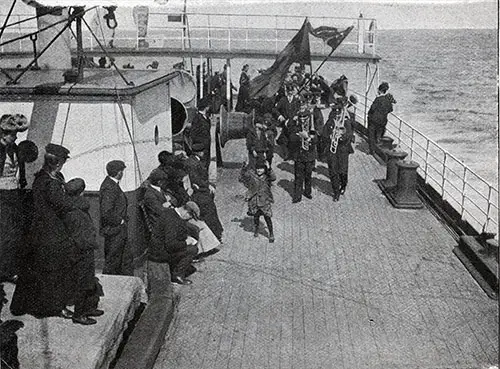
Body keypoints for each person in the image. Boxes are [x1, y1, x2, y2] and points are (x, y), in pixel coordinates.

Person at [10, 144, 76, 319]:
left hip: (39, 232)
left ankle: (25, 305)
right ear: (56, 164)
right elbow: (63, 204)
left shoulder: (41, 178)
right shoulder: (50, 183)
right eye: (61, 163)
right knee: (54, 271)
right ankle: (55, 307)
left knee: (36, 269)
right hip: (52, 233)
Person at [63, 178, 103, 326]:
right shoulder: (76, 211)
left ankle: (89, 308)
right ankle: (79, 314)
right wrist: (90, 245)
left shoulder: (71, 208)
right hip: (81, 251)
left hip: (81, 249)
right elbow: (80, 235)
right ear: (82, 192)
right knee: (83, 283)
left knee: (88, 280)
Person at [0, 114, 30, 284]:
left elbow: (21, 168)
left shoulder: (15, 148)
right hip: (1, 195)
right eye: (13, 134)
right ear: (4, 134)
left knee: (14, 233)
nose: (16, 137)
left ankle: (9, 270)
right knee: (4, 234)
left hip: (13, 193)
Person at [149, 202, 199, 285]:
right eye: (190, 217)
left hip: (159, 247)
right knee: (193, 250)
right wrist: (186, 242)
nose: (189, 220)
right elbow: (171, 244)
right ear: (187, 213)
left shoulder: (171, 212)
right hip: (160, 252)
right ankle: (177, 275)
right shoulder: (172, 221)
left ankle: (175, 267)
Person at [99, 160, 133, 276]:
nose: (122, 173)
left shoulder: (111, 185)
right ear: (119, 172)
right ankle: (109, 286)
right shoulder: (110, 187)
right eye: (122, 171)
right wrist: (120, 221)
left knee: (123, 259)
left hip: (117, 229)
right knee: (112, 260)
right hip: (114, 230)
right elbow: (106, 212)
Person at [184, 143, 224, 242]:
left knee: (209, 213)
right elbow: (196, 179)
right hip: (200, 192)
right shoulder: (194, 163)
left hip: (200, 191)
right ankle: (215, 235)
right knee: (209, 213)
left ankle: (215, 235)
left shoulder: (191, 161)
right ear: (199, 152)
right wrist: (208, 186)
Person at [322, 101, 355, 201]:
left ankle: (343, 185)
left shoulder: (346, 123)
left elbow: (349, 136)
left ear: (341, 113)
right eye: (335, 114)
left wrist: (341, 137)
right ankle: (336, 192)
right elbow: (324, 134)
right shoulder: (330, 122)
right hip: (332, 152)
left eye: (338, 113)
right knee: (333, 171)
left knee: (342, 171)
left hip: (343, 150)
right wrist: (330, 136)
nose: (337, 116)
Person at [239, 160, 276, 243]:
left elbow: (273, 178)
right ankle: (256, 229)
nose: (259, 170)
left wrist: (269, 168)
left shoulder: (267, 177)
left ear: (264, 169)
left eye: (261, 169)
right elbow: (243, 177)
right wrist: (244, 168)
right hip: (254, 201)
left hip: (264, 201)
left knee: (267, 218)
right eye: (258, 169)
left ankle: (271, 233)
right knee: (256, 217)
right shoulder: (252, 176)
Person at [289, 109, 317, 203]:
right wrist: (300, 136)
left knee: (308, 175)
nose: (302, 119)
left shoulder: (312, 128)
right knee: (298, 176)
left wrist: (308, 138)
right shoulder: (296, 127)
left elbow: (316, 140)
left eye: (304, 117)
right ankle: (297, 196)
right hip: (299, 156)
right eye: (301, 117)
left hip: (309, 156)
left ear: (308, 117)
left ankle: (308, 192)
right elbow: (291, 138)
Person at [367, 82, 397, 154]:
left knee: (371, 134)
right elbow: (390, 109)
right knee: (379, 134)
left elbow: (372, 109)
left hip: (374, 120)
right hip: (383, 121)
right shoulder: (388, 100)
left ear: (380, 90)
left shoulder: (378, 99)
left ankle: (372, 150)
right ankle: (378, 145)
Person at [276, 84, 301, 160]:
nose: (290, 93)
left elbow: (300, 109)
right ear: (286, 91)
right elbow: (275, 109)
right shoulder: (283, 100)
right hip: (285, 123)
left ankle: (293, 155)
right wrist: (280, 116)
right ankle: (286, 154)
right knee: (285, 139)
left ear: (293, 91)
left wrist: (297, 115)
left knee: (293, 138)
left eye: (291, 91)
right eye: (288, 91)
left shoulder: (296, 100)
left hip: (293, 123)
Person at [190, 98, 212, 170]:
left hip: (205, 146)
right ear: (206, 107)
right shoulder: (197, 118)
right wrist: (201, 142)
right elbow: (193, 133)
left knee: (206, 164)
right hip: (200, 146)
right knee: (201, 165)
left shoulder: (205, 117)